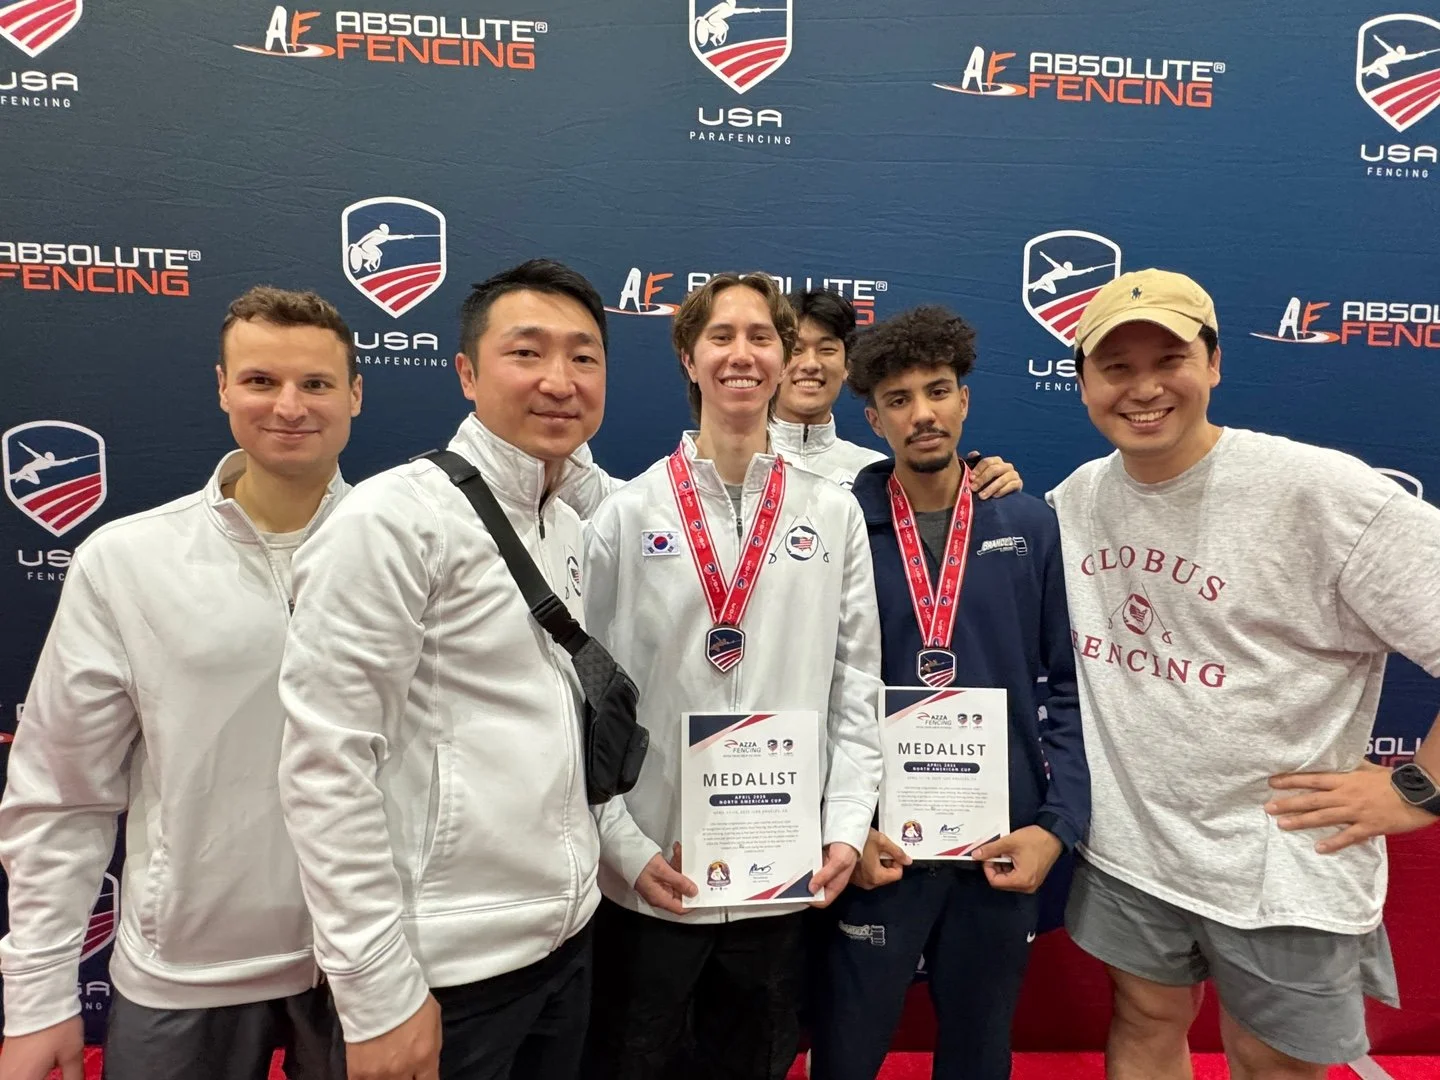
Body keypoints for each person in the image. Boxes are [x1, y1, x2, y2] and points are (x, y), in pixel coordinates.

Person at [1047, 268, 1440, 1079]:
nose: (1144, 388)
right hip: (1131, 847)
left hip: (1281, 861)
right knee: (1145, 1018)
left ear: (1215, 363)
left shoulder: (1316, 492)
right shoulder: (1078, 498)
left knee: (1271, 1060)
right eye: (1116, 368)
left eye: (1170, 360)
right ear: (1082, 383)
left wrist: (1419, 790)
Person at [0, 286, 361, 1080]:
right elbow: (62, 791)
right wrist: (36, 992)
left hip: (365, 962)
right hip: (186, 968)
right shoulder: (127, 560)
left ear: (355, 395)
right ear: (223, 388)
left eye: (316, 383)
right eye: (261, 380)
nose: (289, 406)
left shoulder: (412, 551)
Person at [276, 259, 609, 1080]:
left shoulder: (566, 523)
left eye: (583, 357)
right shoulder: (393, 518)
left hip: (564, 945)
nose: (559, 380)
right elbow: (327, 764)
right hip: (440, 973)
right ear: (466, 372)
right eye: (526, 352)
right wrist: (377, 992)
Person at [582, 273, 884, 1080]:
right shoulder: (626, 514)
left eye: (761, 337)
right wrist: (622, 845)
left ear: (784, 358)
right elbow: (585, 699)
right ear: (688, 357)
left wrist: (845, 825)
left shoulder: (833, 513)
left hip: (781, 875)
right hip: (656, 872)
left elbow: (856, 684)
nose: (741, 354)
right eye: (720, 336)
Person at [808, 306, 1088, 1080]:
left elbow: (1072, 690)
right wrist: (841, 827)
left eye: (937, 391)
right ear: (873, 419)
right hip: (878, 848)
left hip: (999, 848)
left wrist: (1056, 828)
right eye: (898, 400)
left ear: (964, 399)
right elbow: (807, 689)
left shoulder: (1029, 524)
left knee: (979, 1051)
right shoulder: (836, 528)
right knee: (846, 1053)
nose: (922, 414)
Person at [559, 288, 1021, 514]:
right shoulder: (708, 463)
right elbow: (600, 500)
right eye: (796, 349)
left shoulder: (878, 473)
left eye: (827, 349)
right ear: (778, 361)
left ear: (848, 364)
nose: (810, 365)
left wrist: (983, 479)